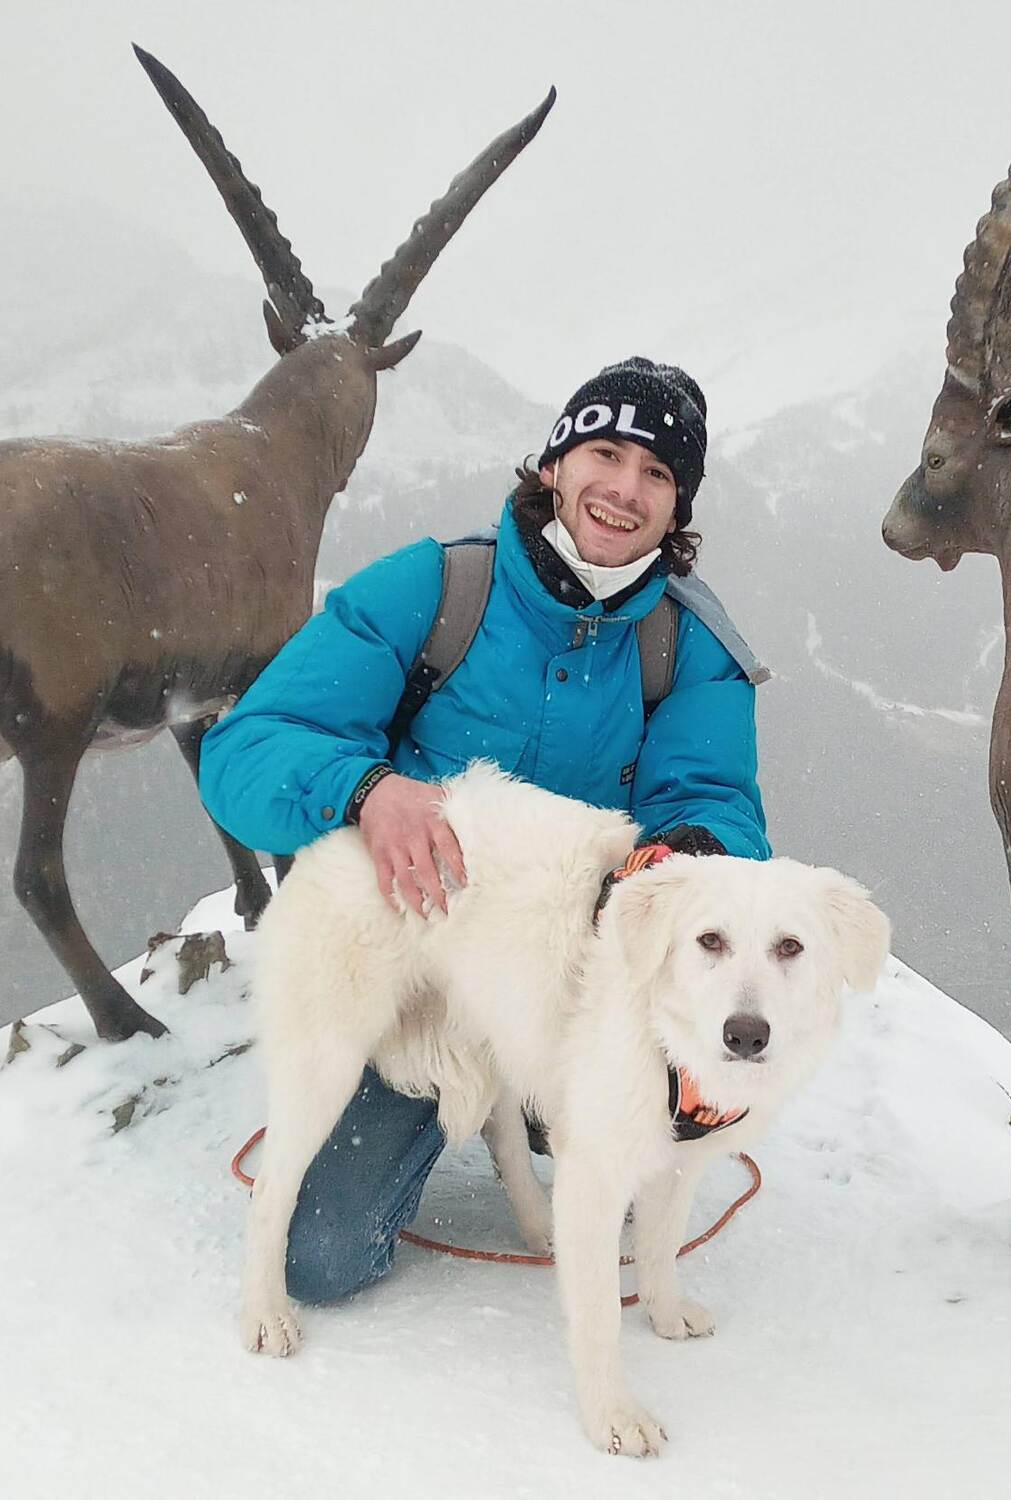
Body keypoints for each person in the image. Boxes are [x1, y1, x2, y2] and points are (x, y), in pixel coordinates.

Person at [199, 356, 769, 1302]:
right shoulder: (436, 590)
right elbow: (246, 749)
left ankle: (542, 1108)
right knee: (323, 1259)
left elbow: (715, 808)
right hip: (417, 956)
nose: (625, 489)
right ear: (553, 464)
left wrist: (690, 858)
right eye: (607, 452)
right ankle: (433, 1097)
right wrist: (367, 788)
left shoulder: (690, 649)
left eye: (659, 474)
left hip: (569, 978)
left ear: (679, 509)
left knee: (625, 1176)